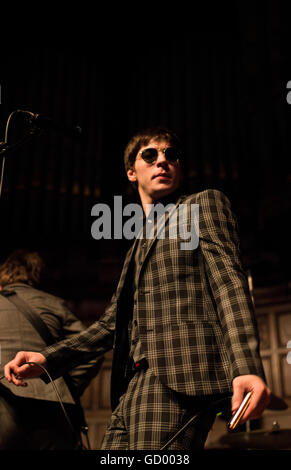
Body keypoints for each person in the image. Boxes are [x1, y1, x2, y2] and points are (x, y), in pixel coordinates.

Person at [4, 128, 271, 450]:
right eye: (150, 155)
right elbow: (109, 324)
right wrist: (47, 358)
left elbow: (229, 283)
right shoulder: (136, 247)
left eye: (171, 155)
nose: (163, 161)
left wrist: (246, 368)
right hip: (132, 386)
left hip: (179, 377)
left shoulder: (202, 204)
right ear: (131, 172)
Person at [0, 249, 103, 450]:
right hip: (54, 407)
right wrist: (66, 385)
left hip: (3, 404)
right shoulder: (54, 303)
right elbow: (89, 350)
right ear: (37, 277)